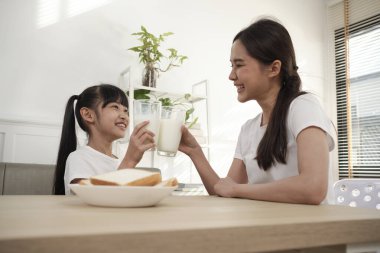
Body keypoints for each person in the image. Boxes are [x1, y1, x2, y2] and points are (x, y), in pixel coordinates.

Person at [179, 18, 335, 205]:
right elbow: (224, 190)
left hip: (313, 231)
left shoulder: (303, 107)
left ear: (273, 68)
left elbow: (313, 188)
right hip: (269, 229)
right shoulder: (248, 129)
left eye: (239, 65)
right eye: (232, 66)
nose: (231, 76)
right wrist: (195, 151)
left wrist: (238, 189)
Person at [53, 84, 155, 195]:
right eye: (115, 107)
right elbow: (93, 200)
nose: (124, 116)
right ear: (88, 115)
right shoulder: (78, 159)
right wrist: (130, 161)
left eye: (126, 111)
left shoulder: (118, 161)